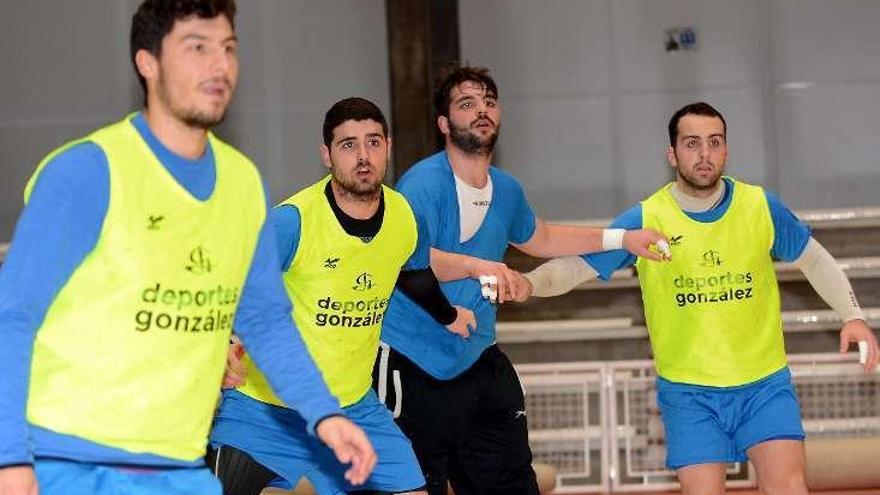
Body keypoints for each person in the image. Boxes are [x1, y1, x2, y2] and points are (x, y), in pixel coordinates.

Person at [0, 2, 376, 494]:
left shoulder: (242, 184)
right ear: (148, 62)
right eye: (197, 48)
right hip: (67, 463)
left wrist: (324, 414)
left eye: (228, 49)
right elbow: (14, 315)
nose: (218, 65)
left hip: (179, 467)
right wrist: (10, 458)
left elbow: (265, 321)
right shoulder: (87, 172)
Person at [523, 101, 880, 495]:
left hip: (763, 384)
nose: (705, 154)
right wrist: (527, 284)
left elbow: (815, 260)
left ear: (726, 150)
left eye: (715, 142)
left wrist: (854, 316)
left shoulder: (759, 206)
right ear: (672, 154)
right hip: (688, 393)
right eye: (692, 143)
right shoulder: (646, 218)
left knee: (790, 488)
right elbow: (574, 268)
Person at [372, 64, 669, 495]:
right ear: (443, 123)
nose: (481, 111)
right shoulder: (421, 185)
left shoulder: (507, 190)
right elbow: (406, 261)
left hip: (479, 362)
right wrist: (478, 267)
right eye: (467, 103)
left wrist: (623, 237)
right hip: (414, 368)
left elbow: (543, 237)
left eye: (489, 102)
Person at [209, 97, 477, 495]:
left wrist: (446, 314)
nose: (363, 156)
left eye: (372, 142)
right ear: (327, 155)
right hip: (264, 411)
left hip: (354, 409)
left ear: (389, 144)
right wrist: (217, 351)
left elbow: (414, 272)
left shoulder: (404, 217)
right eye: (348, 145)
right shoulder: (292, 222)